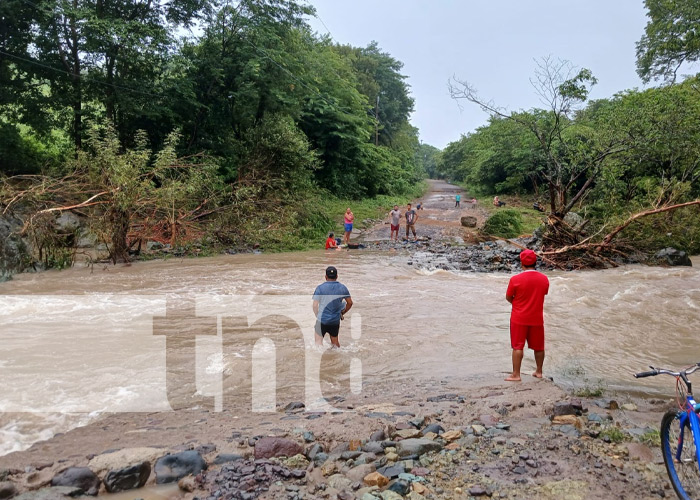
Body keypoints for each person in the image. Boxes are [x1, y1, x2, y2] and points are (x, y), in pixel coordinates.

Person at [505, 249, 549, 382]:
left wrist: (517, 304)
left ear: (521, 263)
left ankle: (516, 374)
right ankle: (539, 371)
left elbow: (508, 297)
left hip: (519, 317)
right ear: (535, 262)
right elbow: (543, 293)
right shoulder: (544, 279)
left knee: (518, 346)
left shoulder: (515, 279)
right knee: (539, 346)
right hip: (536, 317)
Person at [313, 266, 352, 348]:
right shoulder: (342, 288)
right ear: (337, 276)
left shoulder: (320, 288)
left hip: (322, 320)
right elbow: (350, 303)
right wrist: (342, 312)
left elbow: (315, 305)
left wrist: (318, 315)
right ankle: (338, 358)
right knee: (335, 343)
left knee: (318, 344)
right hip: (334, 321)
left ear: (325, 277)